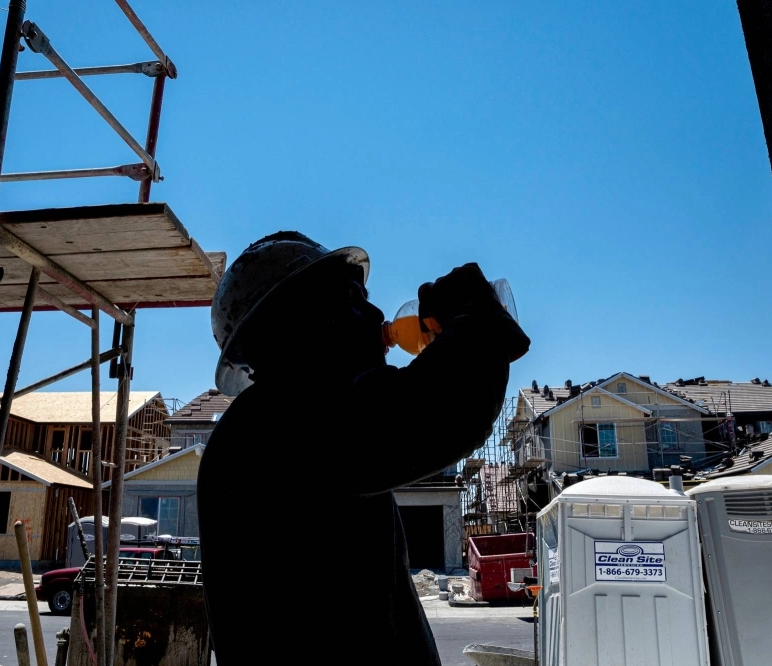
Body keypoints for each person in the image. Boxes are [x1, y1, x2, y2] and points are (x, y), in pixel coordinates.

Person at [197, 231, 530, 665]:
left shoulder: (287, 420)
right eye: (352, 298)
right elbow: (444, 410)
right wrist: (473, 313)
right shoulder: (280, 420)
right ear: (297, 321)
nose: (374, 312)